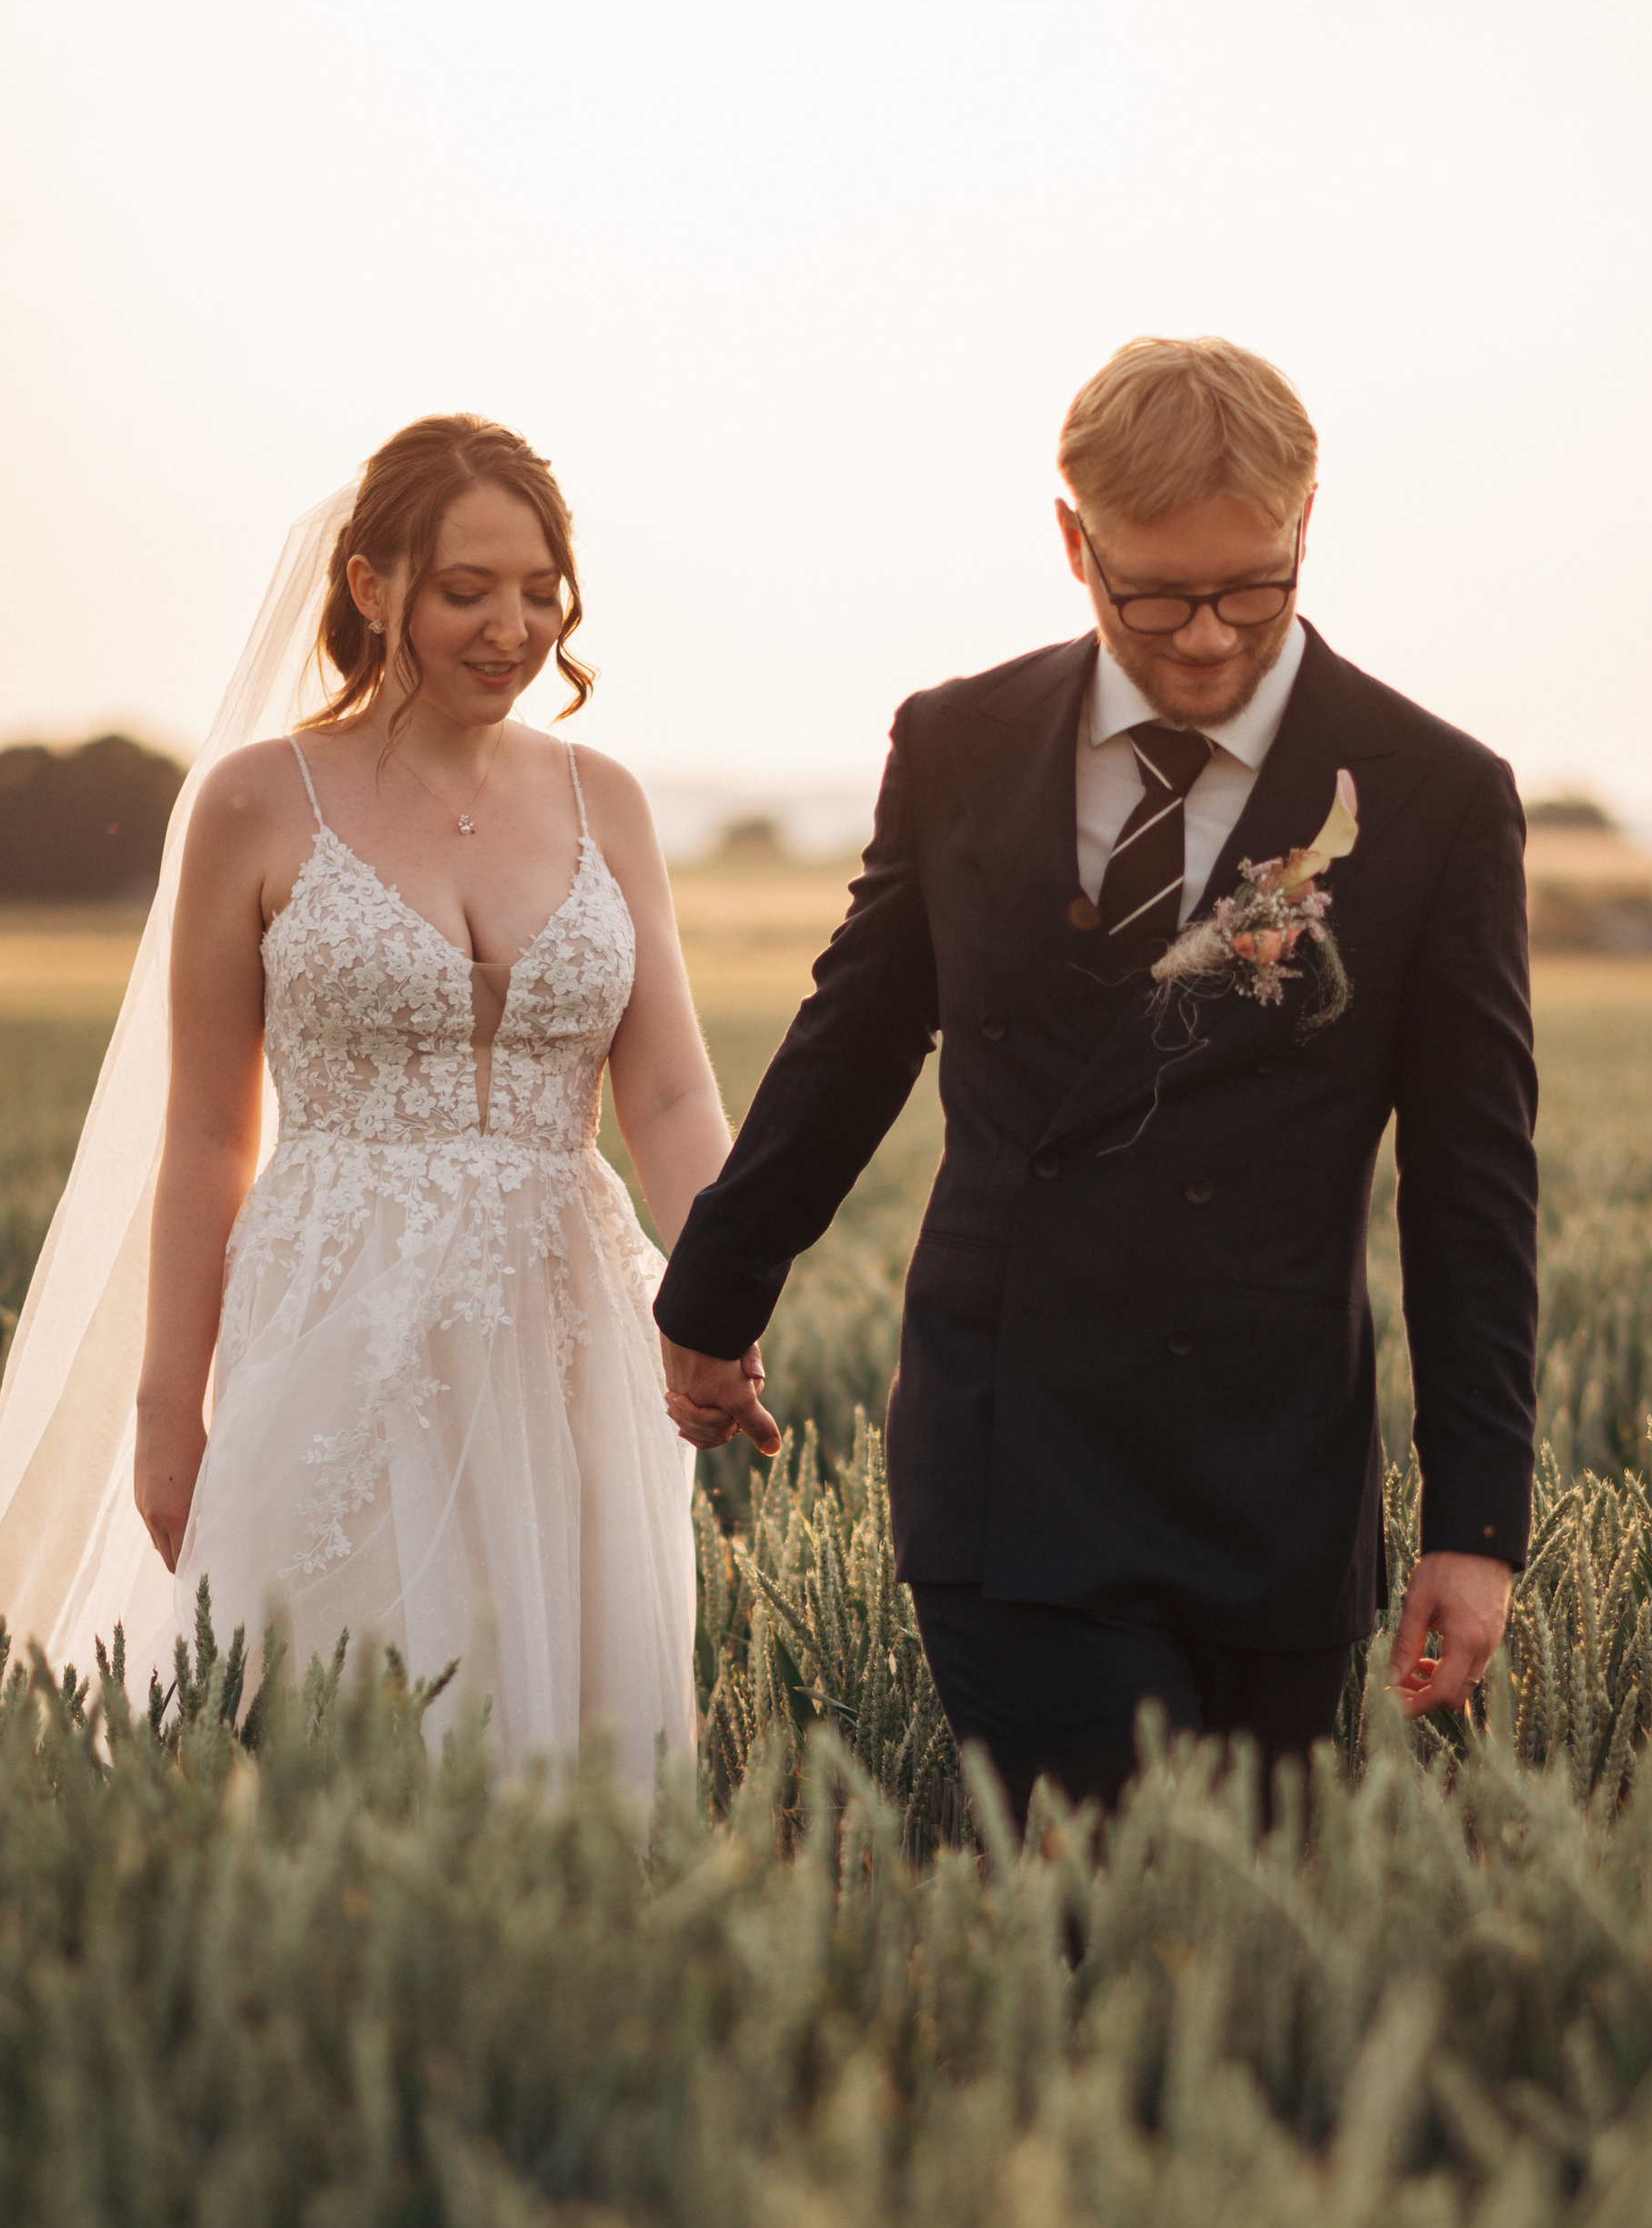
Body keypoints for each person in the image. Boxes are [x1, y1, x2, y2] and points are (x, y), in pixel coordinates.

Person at [654, 336, 1539, 1821]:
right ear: (1075, 541)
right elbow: (857, 1035)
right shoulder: (959, 742)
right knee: (1106, 1889)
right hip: (1013, 1450)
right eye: (1156, 595)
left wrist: (1478, 1520)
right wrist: (713, 1297)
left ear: (1307, 525)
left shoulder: (1435, 794)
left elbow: (1474, 1182)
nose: (1206, 638)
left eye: (1252, 589)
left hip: (1272, 1476)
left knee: (1235, 1923)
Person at [0, 418, 717, 1788]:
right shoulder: (256, 802)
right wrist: (167, 1411)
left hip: (569, 1318)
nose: (513, 628)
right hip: (335, 1311)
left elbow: (665, 1091)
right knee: (326, 1712)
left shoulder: (606, 801)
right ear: (371, 586)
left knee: (560, 1736)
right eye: (467, 590)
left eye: (540, 590)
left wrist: (722, 1300)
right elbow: (206, 1131)